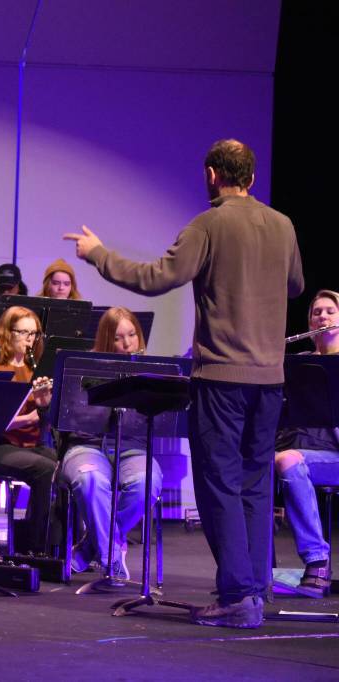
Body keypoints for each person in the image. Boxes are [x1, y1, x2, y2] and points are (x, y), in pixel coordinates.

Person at [64, 138, 304, 628]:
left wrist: (98, 254)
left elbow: (156, 278)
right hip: (270, 379)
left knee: (219, 485)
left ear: (212, 174)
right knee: (255, 484)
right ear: (252, 177)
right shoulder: (283, 224)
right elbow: (296, 284)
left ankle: (237, 598)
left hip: (222, 377)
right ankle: (253, 589)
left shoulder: (208, 224)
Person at [60, 307, 162, 578]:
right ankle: (111, 559)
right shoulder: (84, 367)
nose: (127, 343)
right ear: (105, 339)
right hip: (87, 446)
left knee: (146, 482)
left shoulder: (150, 371)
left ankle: (90, 548)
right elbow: (73, 419)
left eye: (132, 335)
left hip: (132, 448)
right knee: (90, 480)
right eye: (118, 338)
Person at [0, 306, 59, 555]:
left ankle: (56, 542)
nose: (29, 340)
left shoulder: (37, 370)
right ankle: (35, 546)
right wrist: (31, 416)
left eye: (34, 334)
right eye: (23, 333)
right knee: (45, 468)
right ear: (7, 333)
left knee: (66, 466)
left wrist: (45, 406)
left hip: (32, 446)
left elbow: (47, 423)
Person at [274, 290, 339, 597]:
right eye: (317, 313)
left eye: (330, 311)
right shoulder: (297, 364)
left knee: (287, 460)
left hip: (332, 455)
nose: (322, 317)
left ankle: (317, 561)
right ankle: (250, 572)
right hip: (296, 451)